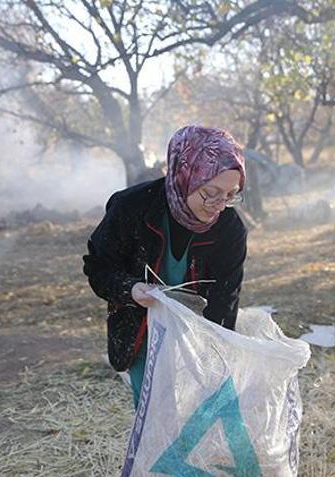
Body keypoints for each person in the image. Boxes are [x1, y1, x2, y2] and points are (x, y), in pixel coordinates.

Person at [83, 125, 248, 408]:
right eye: (211, 192)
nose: (220, 205)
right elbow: (99, 268)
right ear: (185, 176)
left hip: (197, 335)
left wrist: (215, 358)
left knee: (196, 413)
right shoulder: (131, 208)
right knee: (154, 417)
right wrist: (131, 289)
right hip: (142, 334)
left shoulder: (229, 229)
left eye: (231, 194)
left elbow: (225, 300)